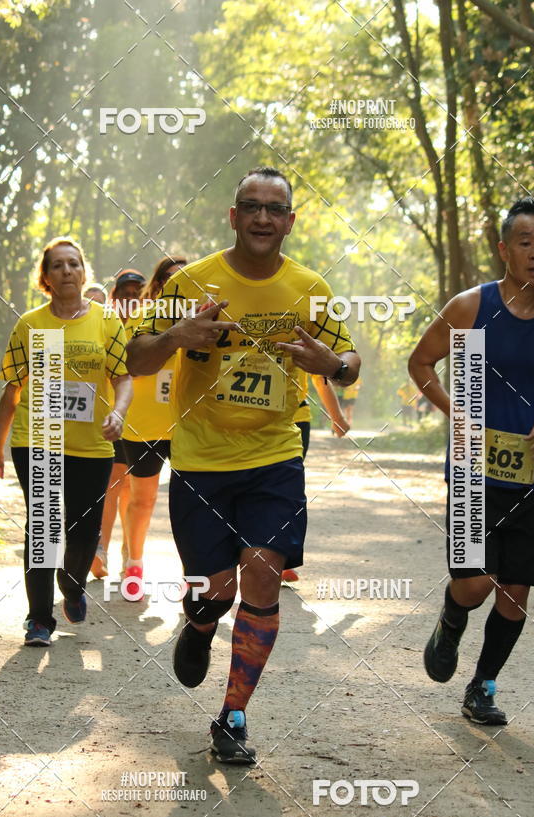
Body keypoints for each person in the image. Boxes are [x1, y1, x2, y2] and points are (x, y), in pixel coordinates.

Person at [127, 166, 360, 763]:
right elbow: (138, 358)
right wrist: (180, 334)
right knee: (215, 587)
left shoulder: (309, 288)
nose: (262, 217)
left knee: (261, 569)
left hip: (275, 453)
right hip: (202, 459)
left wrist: (331, 363)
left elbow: (350, 361)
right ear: (233, 216)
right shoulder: (192, 282)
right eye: (250, 206)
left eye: (274, 208)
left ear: (289, 220)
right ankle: (201, 623)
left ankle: (233, 716)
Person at [409, 197, 534, 725]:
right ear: (504, 250)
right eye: (525, 242)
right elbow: (422, 361)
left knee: (515, 594)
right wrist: (456, 412)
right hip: (475, 469)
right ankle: (452, 619)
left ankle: (483, 686)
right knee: (475, 585)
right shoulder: (473, 308)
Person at [0, 237, 131, 646]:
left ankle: (73, 582)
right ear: (46, 278)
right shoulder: (31, 324)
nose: (67, 271)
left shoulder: (105, 321)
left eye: (74, 264)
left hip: (91, 444)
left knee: (83, 532)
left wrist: (118, 412)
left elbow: (123, 378)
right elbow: (13, 389)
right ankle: (38, 620)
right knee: (44, 528)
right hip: (38, 440)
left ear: (84, 273)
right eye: (58, 266)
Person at [119, 255, 187, 599]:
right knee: (142, 500)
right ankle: (134, 563)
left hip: (186, 427)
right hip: (143, 424)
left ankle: (193, 571)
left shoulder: (205, 320)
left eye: (185, 280)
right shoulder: (143, 317)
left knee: (190, 502)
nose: (178, 286)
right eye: (170, 280)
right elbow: (131, 366)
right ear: (158, 285)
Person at [91, 269, 145, 578]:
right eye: (125, 294)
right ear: (115, 296)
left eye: (136, 294)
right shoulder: (104, 322)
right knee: (114, 483)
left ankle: (130, 552)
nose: (130, 299)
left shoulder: (151, 323)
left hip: (145, 421)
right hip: (112, 416)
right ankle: (102, 549)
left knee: (133, 490)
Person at [281, 372, 350, 583]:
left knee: (285, 490)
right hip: (233, 417)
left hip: (294, 418)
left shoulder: (302, 337)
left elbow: (320, 375)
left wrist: (337, 417)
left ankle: (280, 562)